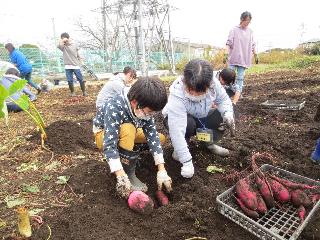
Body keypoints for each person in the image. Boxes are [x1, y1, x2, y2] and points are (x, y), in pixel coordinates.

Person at [92, 77, 172, 198]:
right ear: (135, 102)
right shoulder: (115, 106)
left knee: (160, 138)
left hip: (128, 131)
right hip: (104, 135)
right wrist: (120, 175)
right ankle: (127, 171)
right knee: (128, 129)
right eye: (149, 112)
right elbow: (109, 144)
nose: (150, 116)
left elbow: (153, 137)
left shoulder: (144, 109)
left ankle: (128, 151)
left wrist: (162, 170)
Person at [162, 59, 235, 178]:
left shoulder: (213, 84)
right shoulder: (177, 93)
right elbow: (177, 130)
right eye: (191, 90)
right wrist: (186, 162)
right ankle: (178, 152)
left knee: (220, 115)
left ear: (209, 84)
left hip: (201, 114)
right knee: (188, 125)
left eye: (200, 91)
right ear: (185, 81)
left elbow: (223, 100)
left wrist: (227, 113)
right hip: (180, 119)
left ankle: (209, 144)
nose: (195, 95)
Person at [225, 11, 257, 105]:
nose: (247, 23)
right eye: (246, 20)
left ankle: (238, 95)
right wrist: (225, 54)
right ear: (241, 19)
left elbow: (252, 44)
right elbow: (228, 43)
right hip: (233, 58)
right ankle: (226, 94)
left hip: (244, 59)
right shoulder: (234, 30)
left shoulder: (250, 31)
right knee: (229, 77)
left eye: (249, 21)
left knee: (240, 78)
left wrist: (255, 54)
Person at [57, 32, 87, 96]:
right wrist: (62, 40)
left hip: (76, 65)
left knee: (80, 79)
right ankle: (72, 92)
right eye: (62, 39)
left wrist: (81, 60)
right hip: (67, 66)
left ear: (68, 38)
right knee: (69, 80)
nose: (63, 40)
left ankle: (84, 92)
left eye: (64, 38)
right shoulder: (63, 46)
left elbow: (78, 53)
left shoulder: (74, 45)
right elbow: (59, 46)